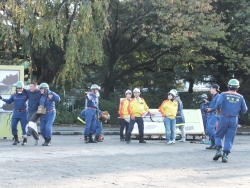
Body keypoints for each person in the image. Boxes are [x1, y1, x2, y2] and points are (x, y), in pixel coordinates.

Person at [213, 79, 247, 163]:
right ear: (237, 87)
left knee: (218, 135)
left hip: (223, 117)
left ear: (228, 86)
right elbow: (244, 110)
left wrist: (218, 111)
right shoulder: (240, 97)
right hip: (234, 119)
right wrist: (236, 112)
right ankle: (225, 155)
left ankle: (219, 150)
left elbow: (218, 104)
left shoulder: (223, 94)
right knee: (229, 137)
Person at [0, 81, 28, 145]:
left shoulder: (26, 93)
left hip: (23, 112)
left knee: (24, 127)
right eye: (18, 88)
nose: (19, 89)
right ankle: (16, 139)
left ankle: (25, 140)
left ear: (23, 88)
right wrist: (2, 98)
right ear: (16, 88)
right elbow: (9, 101)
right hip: (16, 112)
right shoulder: (14, 94)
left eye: (20, 88)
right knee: (13, 126)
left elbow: (31, 92)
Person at [205, 84, 220, 149]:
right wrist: (208, 102)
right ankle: (213, 143)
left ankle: (217, 143)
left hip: (215, 114)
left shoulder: (218, 96)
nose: (210, 90)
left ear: (214, 89)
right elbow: (213, 104)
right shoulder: (214, 96)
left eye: (210, 88)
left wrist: (211, 109)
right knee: (208, 128)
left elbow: (218, 106)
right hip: (211, 114)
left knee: (210, 127)